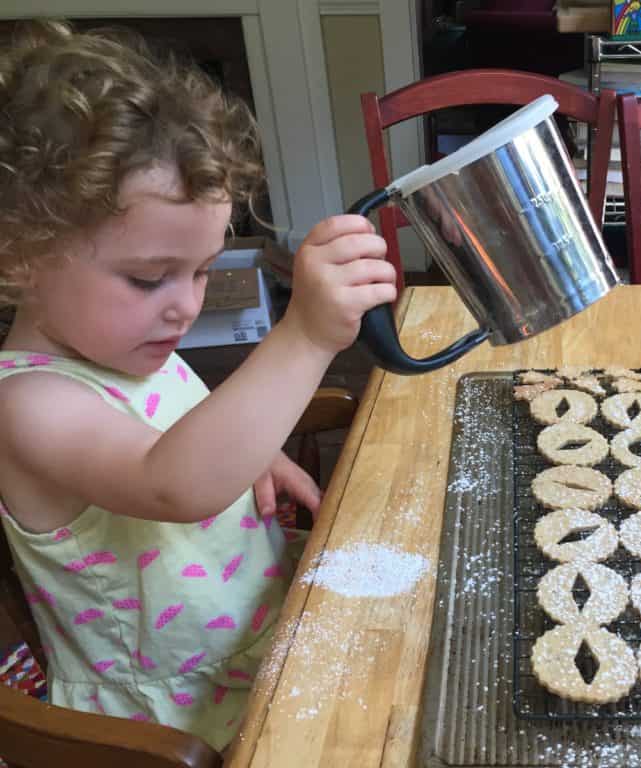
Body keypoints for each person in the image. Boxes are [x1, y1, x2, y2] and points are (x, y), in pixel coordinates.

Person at [0, 20, 396, 751]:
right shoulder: (27, 406)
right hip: (176, 720)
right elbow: (171, 482)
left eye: (204, 268)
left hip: (260, 639)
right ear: (19, 255)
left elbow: (184, 425)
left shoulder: (126, 345)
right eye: (150, 278)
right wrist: (304, 337)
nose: (186, 304)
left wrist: (259, 453)